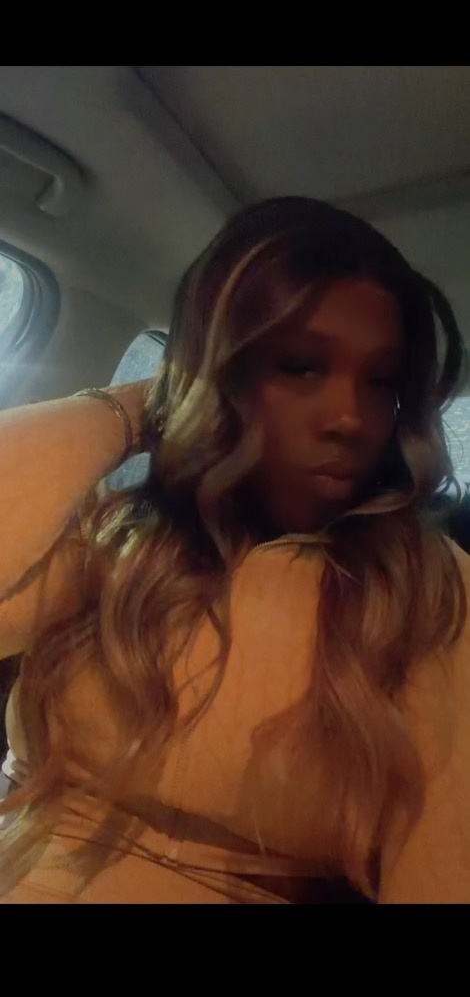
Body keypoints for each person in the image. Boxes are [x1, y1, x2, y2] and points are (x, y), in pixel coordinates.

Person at [0, 195, 469, 904]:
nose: (350, 417)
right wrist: (139, 408)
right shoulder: (121, 541)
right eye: (302, 367)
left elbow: (443, 861)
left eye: (381, 382)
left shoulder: (427, 588)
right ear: (223, 371)